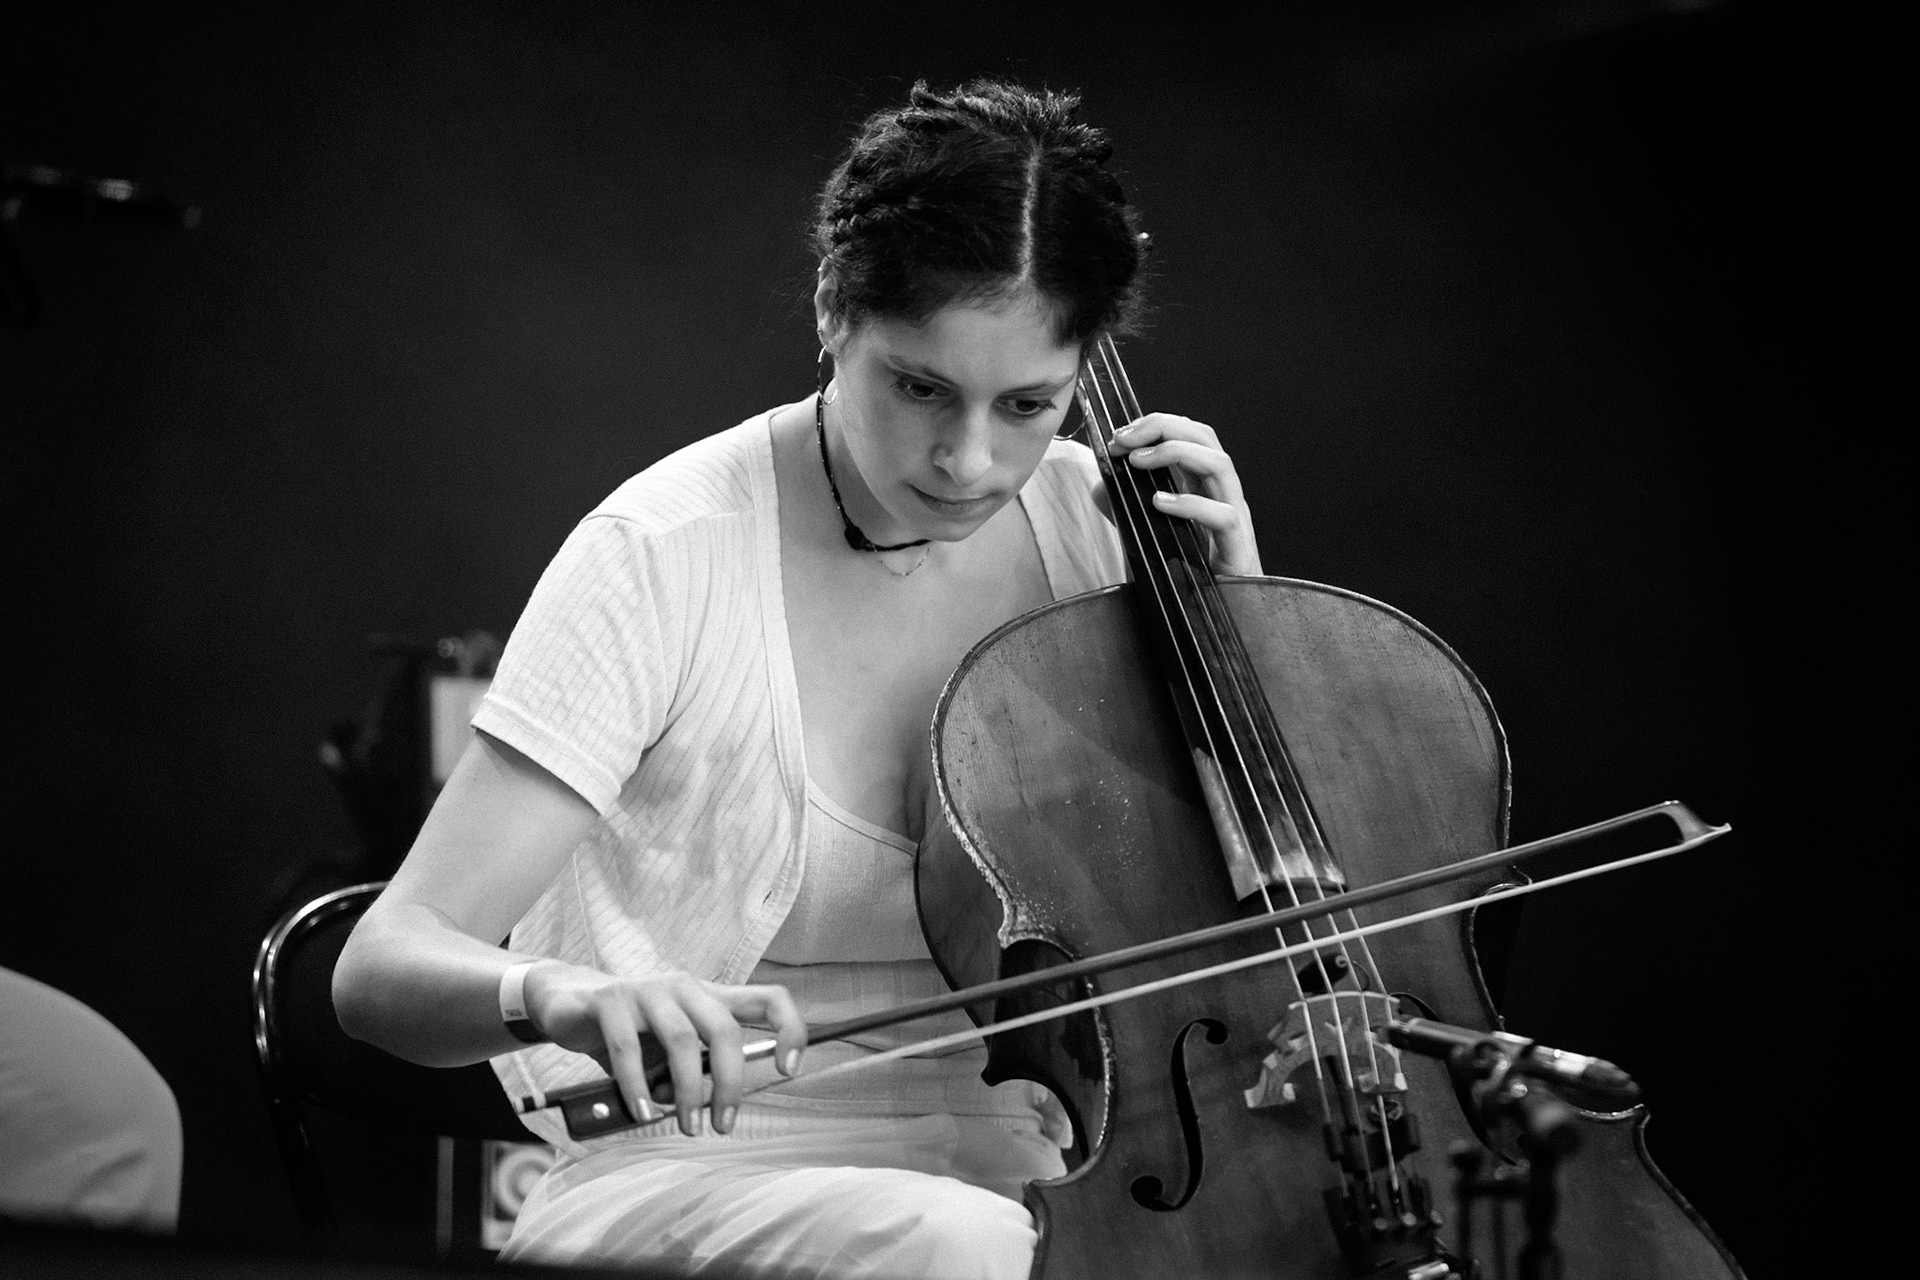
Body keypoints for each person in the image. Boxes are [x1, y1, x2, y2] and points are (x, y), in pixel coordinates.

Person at [333, 78, 1262, 1279]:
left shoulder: (1102, 532)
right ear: (834, 314)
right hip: (685, 1171)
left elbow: (1264, 919)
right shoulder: (664, 551)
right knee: (959, 1245)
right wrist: (552, 990)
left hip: (1050, 1172)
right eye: (920, 386)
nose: (970, 461)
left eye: (1029, 404)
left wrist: (1236, 634)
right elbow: (382, 967)